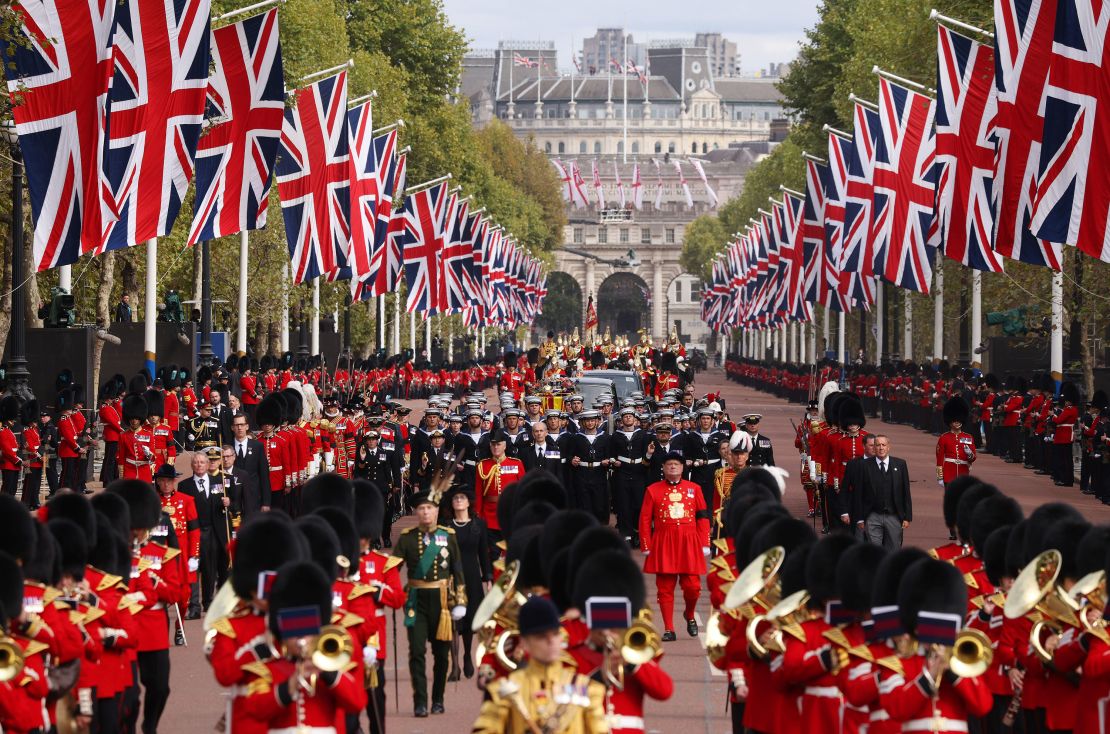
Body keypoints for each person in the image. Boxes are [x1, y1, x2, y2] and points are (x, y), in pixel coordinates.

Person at [472, 596, 608, 734]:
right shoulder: (503, 691)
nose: (551, 641)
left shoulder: (587, 689)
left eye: (555, 634)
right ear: (524, 643)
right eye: (541, 636)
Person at [390, 487, 467, 717]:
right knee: (416, 651)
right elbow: (393, 569)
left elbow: (458, 570)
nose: (425, 513)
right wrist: (393, 592)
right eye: (421, 508)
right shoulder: (407, 538)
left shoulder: (448, 536)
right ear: (416, 512)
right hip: (415, 600)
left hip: (442, 601)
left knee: (442, 653)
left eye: (429, 509)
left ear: (436, 511)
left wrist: (460, 600)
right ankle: (420, 701)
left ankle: (438, 699)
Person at [639, 451, 710, 641]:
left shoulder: (694, 488)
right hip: (664, 542)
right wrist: (646, 544)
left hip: (689, 542)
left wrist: (705, 543)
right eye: (669, 464)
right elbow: (645, 520)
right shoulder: (652, 490)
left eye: (676, 464)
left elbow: (703, 517)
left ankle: (689, 614)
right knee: (664, 588)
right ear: (663, 468)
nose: (672, 467)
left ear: (682, 468)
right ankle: (669, 628)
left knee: (693, 587)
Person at [441, 485, 491, 680]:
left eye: (462, 498)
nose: (459, 501)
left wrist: (487, 577)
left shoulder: (479, 525)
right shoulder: (446, 526)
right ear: (452, 504)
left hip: (471, 577)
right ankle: (454, 665)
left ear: (469, 502)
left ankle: (467, 655)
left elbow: (483, 554)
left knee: (470, 620)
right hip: (452, 576)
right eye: (455, 498)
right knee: (453, 621)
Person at [178, 451, 231, 615]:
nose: (199, 465)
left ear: (208, 464)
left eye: (202, 462)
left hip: (213, 532)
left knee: (210, 569)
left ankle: (208, 602)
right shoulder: (185, 485)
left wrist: (228, 503)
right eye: (196, 462)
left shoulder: (219, 481)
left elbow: (232, 504)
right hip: (194, 531)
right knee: (193, 569)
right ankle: (193, 606)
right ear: (192, 465)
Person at [153, 462, 200, 636]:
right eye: (163, 481)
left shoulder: (186, 501)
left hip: (181, 555)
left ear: (174, 482)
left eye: (169, 481)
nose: (166, 485)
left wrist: (194, 555)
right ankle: (160, 629)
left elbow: (194, 531)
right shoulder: (152, 502)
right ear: (158, 482)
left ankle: (179, 628)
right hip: (159, 556)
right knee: (159, 595)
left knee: (184, 596)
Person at [854, 435, 912, 549]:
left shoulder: (900, 464)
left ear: (888, 447)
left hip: (894, 516)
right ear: (874, 448)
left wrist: (907, 517)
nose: (881, 448)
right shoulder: (864, 465)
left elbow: (906, 492)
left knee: (894, 550)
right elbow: (858, 493)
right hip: (872, 515)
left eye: (883, 445)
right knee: (874, 551)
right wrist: (860, 518)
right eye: (878, 445)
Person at [475, 430, 524, 551]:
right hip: (489, 515)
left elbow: (523, 491)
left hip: (511, 514)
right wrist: (478, 516)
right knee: (492, 553)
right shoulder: (482, 466)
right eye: (493, 444)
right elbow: (478, 494)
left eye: (498, 444)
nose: (495, 447)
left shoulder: (516, 464)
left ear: (505, 446)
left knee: (511, 553)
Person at [935, 396, 977, 540]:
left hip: (964, 474)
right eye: (954, 421)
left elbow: (973, 458)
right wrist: (940, 476)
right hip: (949, 473)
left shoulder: (969, 437)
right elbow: (939, 458)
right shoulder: (944, 438)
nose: (957, 423)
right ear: (950, 422)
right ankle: (952, 528)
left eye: (959, 420)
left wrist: (969, 453)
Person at [230, 412, 271, 517]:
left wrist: (266, 502)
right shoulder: (226, 447)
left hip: (253, 497)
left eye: (242, 424)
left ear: (247, 426)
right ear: (232, 427)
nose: (239, 428)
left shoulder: (257, 446)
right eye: (236, 425)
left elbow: (264, 475)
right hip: (233, 498)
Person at [0, 396, 22, 497]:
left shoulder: (9, 431)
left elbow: (14, 447)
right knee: (7, 489)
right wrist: (17, 460)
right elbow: (6, 449)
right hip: (9, 463)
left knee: (13, 488)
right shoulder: (3, 431)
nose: (14, 422)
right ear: (8, 420)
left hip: (14, 464)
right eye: (12, 420)